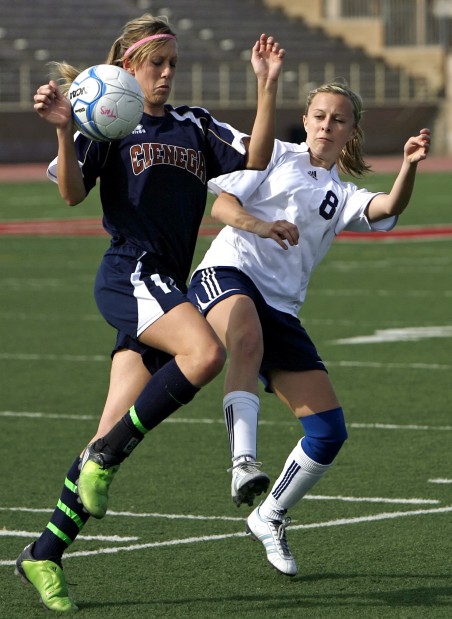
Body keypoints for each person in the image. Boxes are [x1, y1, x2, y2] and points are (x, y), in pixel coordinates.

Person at [15, 14, 285, 612]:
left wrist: (266, 84)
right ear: (128, 68)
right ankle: (106, 461)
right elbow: (71, 193)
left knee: (105, 432)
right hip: (131, 272)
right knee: (206, 353)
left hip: (164, 284)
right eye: (155, 64)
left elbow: (257, 156)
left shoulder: (194, 125)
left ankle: (42, 555)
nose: (165, 75)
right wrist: (64, 129)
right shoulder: (109, 119)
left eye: (172, 66)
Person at [186, 81, 431, 576]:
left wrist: (408, 165)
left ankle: (270, 513)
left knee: (327, 431)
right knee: (246, 339)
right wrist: (263, 226)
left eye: (338, 120)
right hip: (226, 275)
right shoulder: (273, 154)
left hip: (281, 308)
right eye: (319, 116)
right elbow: (223, 208)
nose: (326, 125)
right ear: (306, 120)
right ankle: (244, 463)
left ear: (351, 132)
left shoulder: (340, 194)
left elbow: (387, 208)